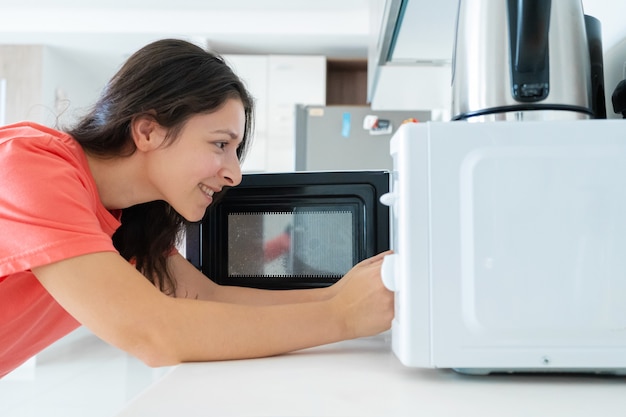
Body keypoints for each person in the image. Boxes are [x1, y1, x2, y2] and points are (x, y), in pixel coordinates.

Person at [0, 39, 394, 378]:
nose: (235, 175)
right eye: (221, 144)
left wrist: (338, 295)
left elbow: (205, 297)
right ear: (147, 131)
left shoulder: (127, 220)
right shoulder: (31, 165)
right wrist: (341, 316)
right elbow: (152, 332)